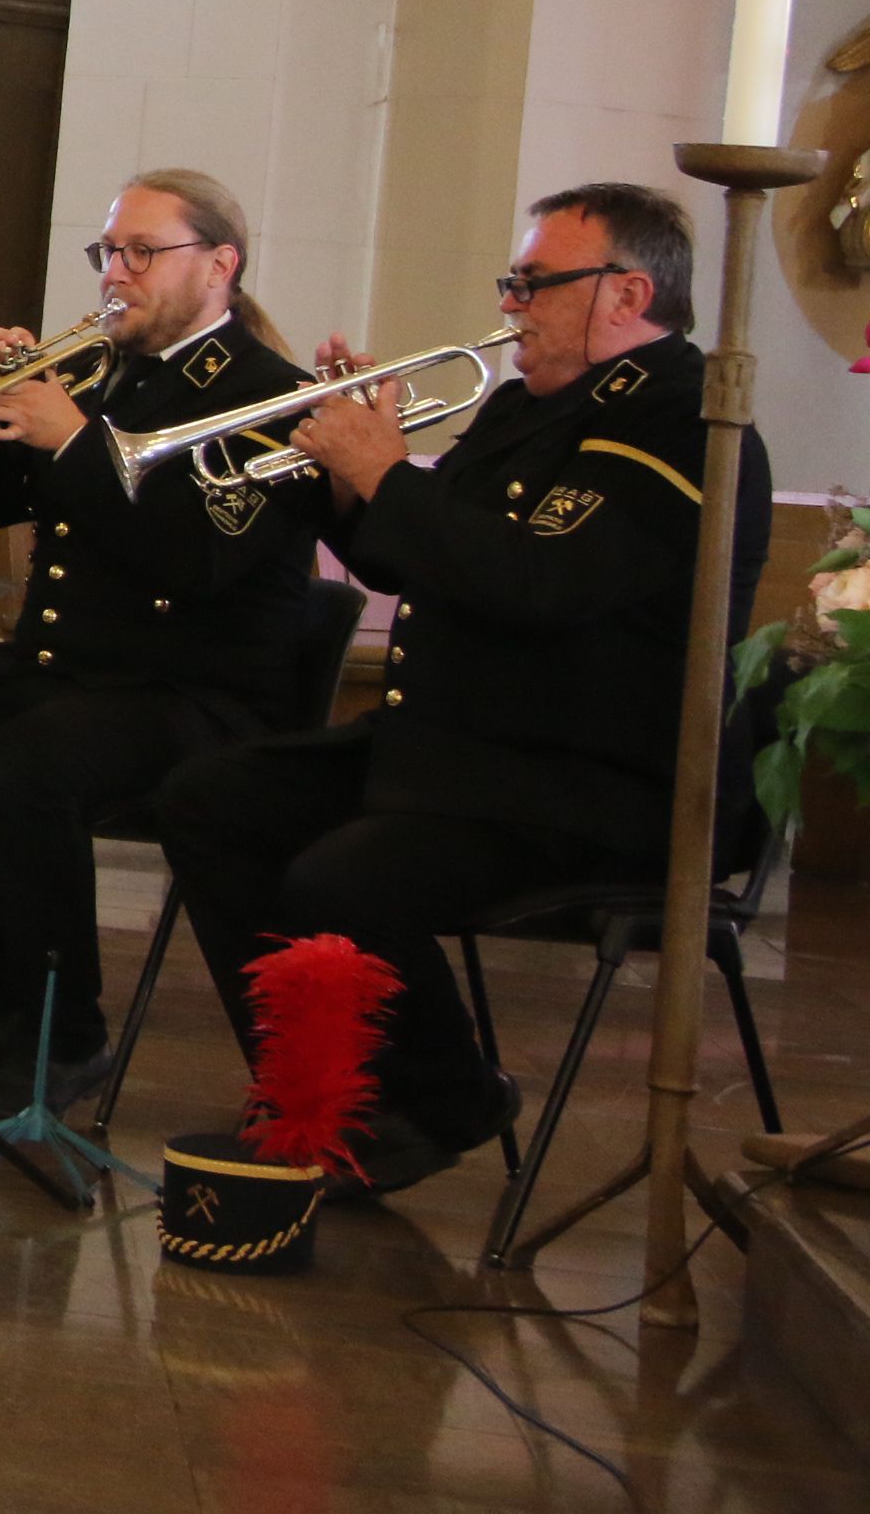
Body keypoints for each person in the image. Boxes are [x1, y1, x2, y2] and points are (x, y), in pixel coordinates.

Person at [159, 183, 772, 1192]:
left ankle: (440, 1098)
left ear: (626, 293)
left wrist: (390, 472)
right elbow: (415, 560)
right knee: (215, 802)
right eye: (512, 281)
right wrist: (352, 471)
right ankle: (320, 1090)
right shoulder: (526, 404)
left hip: (594, 776)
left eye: (534, 282)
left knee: (343, 878)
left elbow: (542, 583)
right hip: (464, 748)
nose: (509, 303)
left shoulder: (684, 417)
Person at [0, 168, 325, 1115]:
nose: (116, 273)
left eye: (142, 252)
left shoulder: (273, 396)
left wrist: (74, 439)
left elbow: (199, 559)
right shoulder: (94, 373)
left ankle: (65, 1034)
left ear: (220, 266)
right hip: (62, 666)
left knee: (21, 770)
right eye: (108, 251)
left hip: (192, 689)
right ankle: (14, 1001)